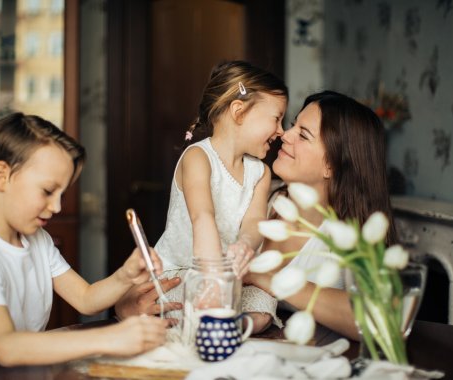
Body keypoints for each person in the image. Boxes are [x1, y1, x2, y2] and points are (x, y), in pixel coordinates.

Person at [0, 113, 169, 366]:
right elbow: (6, 347)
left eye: (62, 194)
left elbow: (85, 299)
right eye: (48, 191)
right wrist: (109, 338)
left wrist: (125, 275)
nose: (57, 206)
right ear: (2, 175)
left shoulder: (38, 240)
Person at [244, 90, 397, 340]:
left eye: (303, 134)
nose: (285, 134)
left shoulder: (351, 235)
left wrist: (274, 279)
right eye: (294, 125)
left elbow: (381, 320)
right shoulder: (257, 195)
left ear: (332, 165)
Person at [152, 60, 288, 333]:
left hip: (229, 278)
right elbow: (203, 217)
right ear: (239, 112)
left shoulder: (260, 172)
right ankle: (214, 322)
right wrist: (212, 281)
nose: (281, 131)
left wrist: (246, 245)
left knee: (263, 305)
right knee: (192, 304)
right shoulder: (198, 158)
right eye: (277, 118)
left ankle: (229, 326)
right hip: (182, 273)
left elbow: (253, 223)